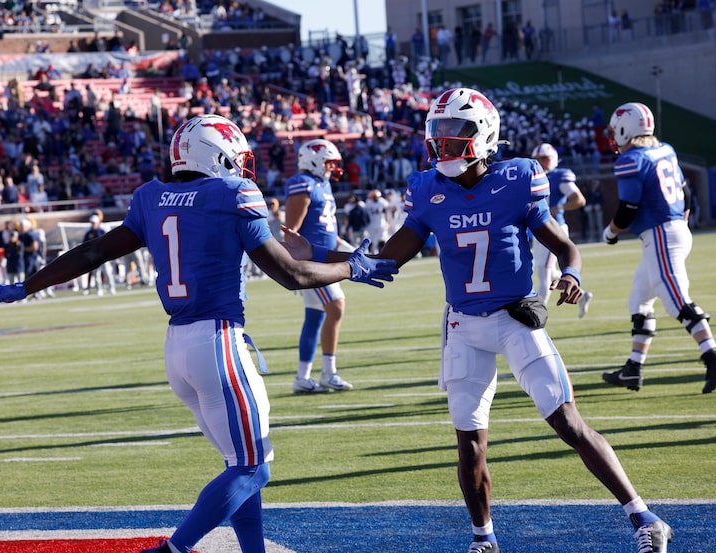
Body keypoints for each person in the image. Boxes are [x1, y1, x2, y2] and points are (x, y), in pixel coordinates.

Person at [0, 114, 396, 553]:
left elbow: (94, 251)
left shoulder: (152, 197)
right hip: (218, 345)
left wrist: (25, 286)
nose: (240, 167)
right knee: (252, 468)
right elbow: (290, 272)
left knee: (241, 464)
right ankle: (173, 550)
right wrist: (351, 267)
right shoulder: (232, 194)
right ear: (216, 156)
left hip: (179, 349)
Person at [288, 88, 673, 553]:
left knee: (567, 421)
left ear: (485, 134)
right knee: (469, 441)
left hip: (515, 319)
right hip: (463, 325)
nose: (444, 141)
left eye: (456, 131)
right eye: (439, 132)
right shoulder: (428, 189)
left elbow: (564, 246)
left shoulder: (518, 178)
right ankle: (483, 539)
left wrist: (571, 273)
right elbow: (386, 260)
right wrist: (321, 256)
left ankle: (645, 517)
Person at [601, 101, 716, 395]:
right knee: (638, 301)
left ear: (627, 129)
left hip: (661, 234)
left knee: (677, 301)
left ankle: (712, 357)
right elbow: (686, 191)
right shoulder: (665, 149)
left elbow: (628, 206)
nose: (614, 137)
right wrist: (680, 219)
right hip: (673, 230)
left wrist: (611, 232)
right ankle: (633, 369)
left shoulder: (632, 159)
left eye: (616, 131)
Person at [284, 138, 356, 393]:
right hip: (312, 262)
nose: (332, 168)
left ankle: (303, 378)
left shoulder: (321, 185)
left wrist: (350, 250)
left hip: (324, 256)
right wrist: (292, 266)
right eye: (328, 162)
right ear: (313, 160)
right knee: (336, 306)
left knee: (314, 317)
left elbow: (326, 230)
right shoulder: (302, 184)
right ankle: (328, 372)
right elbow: (291, 232)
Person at [530, 143, 593, 318]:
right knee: (546, 272)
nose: (541, 163)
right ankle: (582, 295)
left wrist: (558, 207)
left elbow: (578, 199)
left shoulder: (559, 176)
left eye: (544, 158)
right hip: (538, 230)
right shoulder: (533, 176)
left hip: (554, 230)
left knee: (544, 274)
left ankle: (536, 317)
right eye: (537, 159)